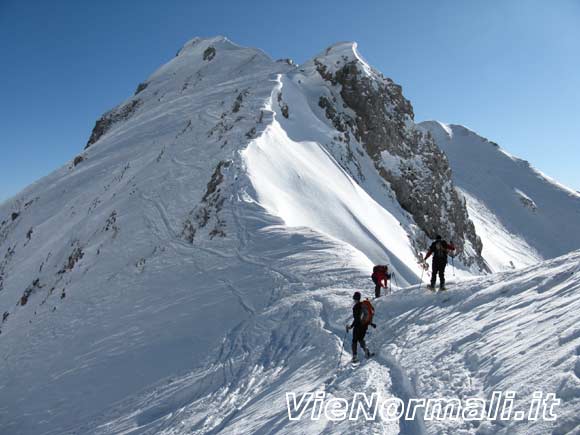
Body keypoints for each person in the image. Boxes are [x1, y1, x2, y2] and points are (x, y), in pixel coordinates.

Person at [346, 291, 374, 363]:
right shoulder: (364, 304)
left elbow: (356, 319)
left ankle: (355, 357)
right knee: (361, 339)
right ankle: (366, 351)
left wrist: (351, 327)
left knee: (354, 340)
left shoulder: (355, 307)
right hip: (364, 326)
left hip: (358, 326)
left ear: (355, 299)